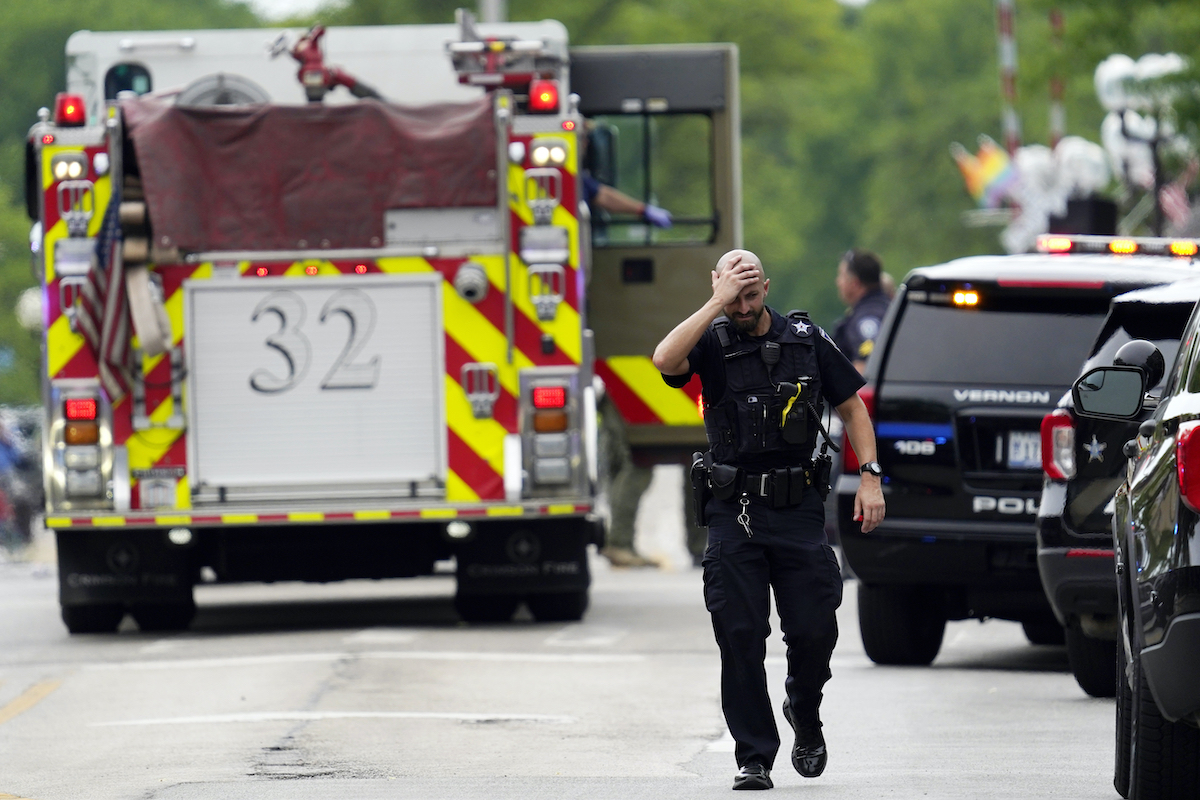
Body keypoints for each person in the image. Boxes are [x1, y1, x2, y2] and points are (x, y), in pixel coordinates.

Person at [652, 249, 884, 791]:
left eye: (751, 296)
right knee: (739, 635)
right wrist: (715, 303)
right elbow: (664, 359)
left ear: (767, 288)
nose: (743, 307)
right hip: (735, 511)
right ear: (718, 287)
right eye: (734, 296)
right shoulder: (710, 339)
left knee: (814, 628)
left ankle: (804, 706)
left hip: (798, 509)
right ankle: (753, 756)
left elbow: (853, 408)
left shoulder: (805, 338)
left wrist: (871, 477)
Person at [831, 248, 891, 374]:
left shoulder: (867, 317)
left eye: (841, 276)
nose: (838, 282)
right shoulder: (887, 307)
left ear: (855, 283)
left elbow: (866, 367)